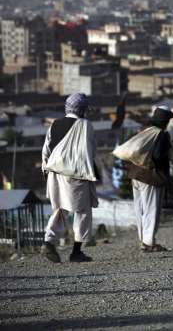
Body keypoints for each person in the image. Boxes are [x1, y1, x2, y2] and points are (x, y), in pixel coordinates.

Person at [41, 93, 98, 263]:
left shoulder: (55, 124)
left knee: (60, 209)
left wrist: (46, 172)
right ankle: (76, 252)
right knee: (82, 211)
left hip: (54, 173)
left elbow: (46, 151)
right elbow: (90, 150)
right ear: (82, 109)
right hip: (75, 175)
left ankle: (48, 242)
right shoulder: (85, 125)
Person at [132, 105, 173, 252]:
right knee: (151, 209)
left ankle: (144, 239)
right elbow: (157, 155)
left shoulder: (143, 130)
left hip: (136, 175)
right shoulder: (161, 135)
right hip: (151, 177)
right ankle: (149, 242)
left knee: (140, 209)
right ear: (165, 120)